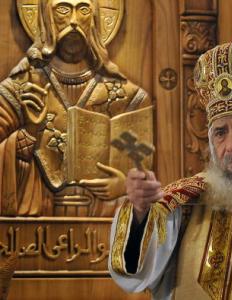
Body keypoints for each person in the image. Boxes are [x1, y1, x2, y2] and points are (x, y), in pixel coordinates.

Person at [109, 37, 232, 300]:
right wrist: (141, 213)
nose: (231, 145)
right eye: (220, 133)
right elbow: (135, 274)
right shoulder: (185, 201)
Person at [0, 0, 151, 217]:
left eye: (83, 9)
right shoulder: (19, 91)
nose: (73, 21)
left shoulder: (128, 98)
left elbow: (149, 180)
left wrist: (125, 186)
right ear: (45, 18)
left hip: (105, 238)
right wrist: (29, 133)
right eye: (63, 9)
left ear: (96, 18)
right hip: (29, 240)